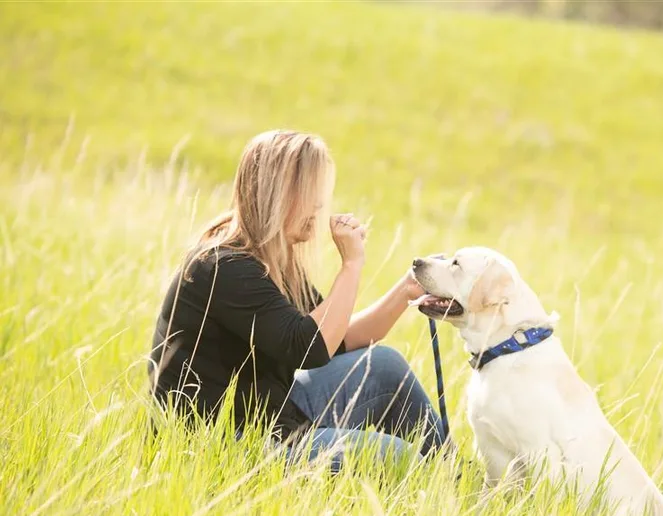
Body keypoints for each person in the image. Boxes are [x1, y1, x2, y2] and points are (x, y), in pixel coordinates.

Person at [147, 130, 445, 469]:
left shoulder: (273, 260)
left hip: (269, 415)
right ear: (278, 193)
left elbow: (338, 339)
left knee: (384, 366)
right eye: (311, 193)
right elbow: (312, 348)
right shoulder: (225, 268)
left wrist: (406, 290)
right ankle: (440, 486)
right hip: (225, 445)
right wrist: (351, 264)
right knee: (396, 456)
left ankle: (457, 478)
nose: (320, 206)